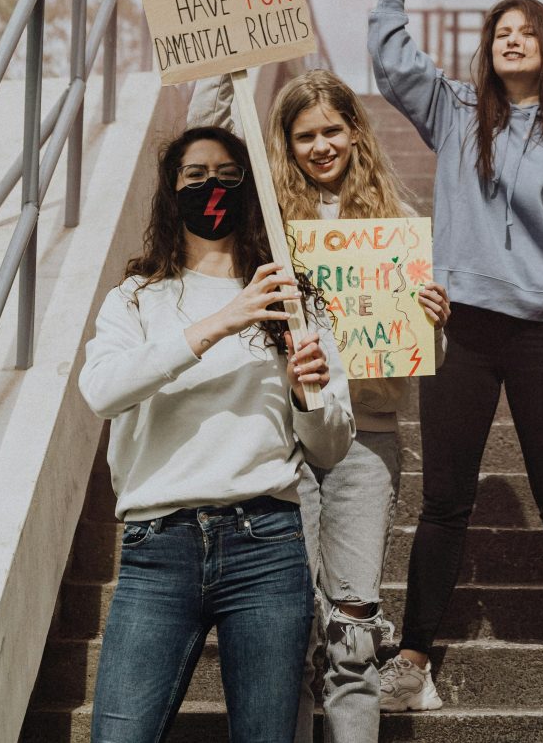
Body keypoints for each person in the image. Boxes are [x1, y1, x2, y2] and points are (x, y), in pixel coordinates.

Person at [369, 0, 543, 715]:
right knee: (444, 499)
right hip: (463, 333)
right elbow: (389, 58)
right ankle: (414, 660)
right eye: (501, 31)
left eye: (527, 31)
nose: (511, 39)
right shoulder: (454, 112)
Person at [189, 70, 450, 743]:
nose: (321, 146)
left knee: (354, 631)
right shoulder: (264, 223)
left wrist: (433, 321)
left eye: (332, 130)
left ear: (355, 132)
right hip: (286, 439)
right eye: (304, 136)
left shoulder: (395, 219)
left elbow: (420, 354)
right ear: (286, 143)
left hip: (369, 440)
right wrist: (223, 74)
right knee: (289, 627)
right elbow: (208, 147)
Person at [80, 123, 354, 743]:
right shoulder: (136, 298)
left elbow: (331, 446)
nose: (212, 189)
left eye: (229, 177)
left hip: (267, 544)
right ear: (170, 189)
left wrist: (303, 395)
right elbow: (102, 392)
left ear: (250, 190)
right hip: (158, 545)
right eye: (196, 176)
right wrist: (221, 322)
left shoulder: (291, 300)